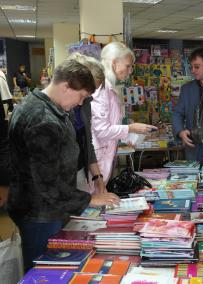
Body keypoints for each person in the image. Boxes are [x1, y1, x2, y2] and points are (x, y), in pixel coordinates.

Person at [7, 59, 120, 272]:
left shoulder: (48, 107)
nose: (80, 103)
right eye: (81, 96)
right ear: (66, 86)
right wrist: (90, 199)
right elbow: (47, 185)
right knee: (44, 270)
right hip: (39, 212)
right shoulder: (43, 120)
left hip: (43, 208)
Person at [91, 42, 157, 184]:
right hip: (97, 160)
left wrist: (129, 134)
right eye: (128, 66)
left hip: (104, 156)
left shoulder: (109, 89)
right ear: (114, 63)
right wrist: (131, 129)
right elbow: (101, 131)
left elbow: (110, 126)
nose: (130, 70)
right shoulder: (102, 90)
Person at [67, 53, 106, 194]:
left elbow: (87, 142)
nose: (88, 96)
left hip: (79, 171)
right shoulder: (60, 109)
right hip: (63, 179)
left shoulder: (85, 104)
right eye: (87, 91)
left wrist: (98, 177)